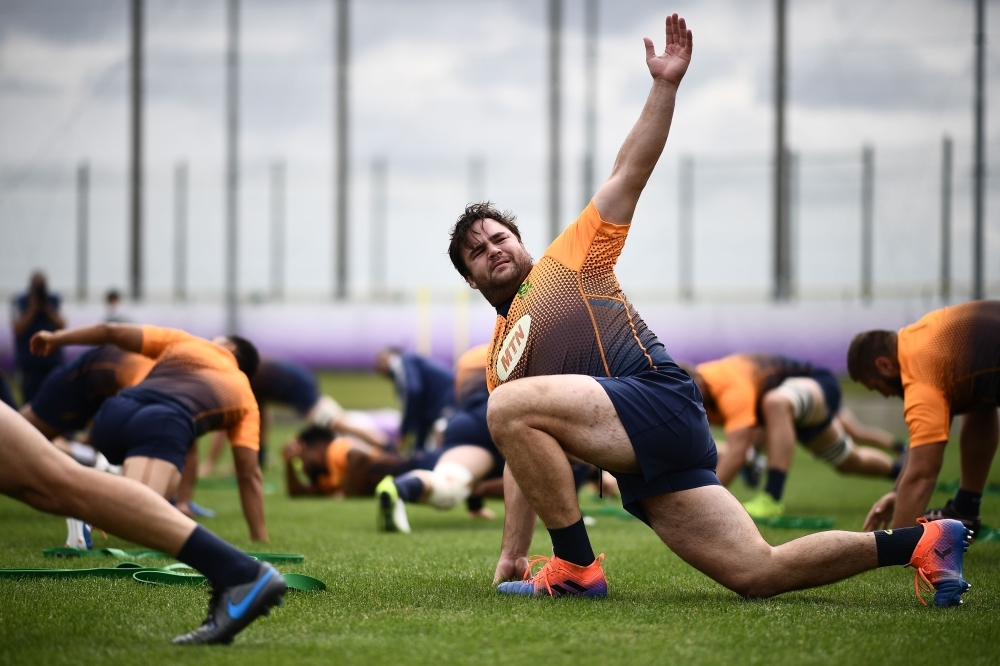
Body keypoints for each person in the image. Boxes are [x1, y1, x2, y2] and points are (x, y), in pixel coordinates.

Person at [448, 14, 972, 607]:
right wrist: (511, 555)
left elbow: (629, 171)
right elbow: (522, 456)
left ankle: (574, 565)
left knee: (507, 406)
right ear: (470, 276)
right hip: (649, 461)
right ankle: (925, 541)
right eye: (477, 252)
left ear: (520, 240)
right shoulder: (498, 361)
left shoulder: (568, 261)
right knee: (757, 572)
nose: (492, 249)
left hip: (657, 400)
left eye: (499, 237)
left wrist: (664, 86)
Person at [0, 401, 286, 645]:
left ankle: (239, 572)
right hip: (148, 420)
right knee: (55, 483)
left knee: (54, 483)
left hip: (146, 421)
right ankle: (239, 571)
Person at [29, 323, 270, 542]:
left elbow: (111, 331)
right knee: (139, 514)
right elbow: (248, 474)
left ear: (230, 346)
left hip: (112, 415)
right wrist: (260, 538)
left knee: (169, 476)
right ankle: (88, 512)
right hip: (161, 425)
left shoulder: (184, 341)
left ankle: (99, 474)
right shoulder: (245, 396)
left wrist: (57, 337)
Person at [683, 353, 903, 518]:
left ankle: (772, 498)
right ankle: (904, 474)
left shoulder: (728, 387)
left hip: (814, 386)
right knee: (849, 461)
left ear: (697, 381)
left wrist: (706, 503)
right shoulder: (694, 395)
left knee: (775, 403)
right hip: (789, 414)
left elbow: (737, 451)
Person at [849, 301, 1000, 539]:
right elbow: (922, 444)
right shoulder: (917, 337)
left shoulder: (921, 374)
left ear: (884, 365)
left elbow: (923, 472)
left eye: (877, 387)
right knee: (980, 400)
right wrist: (898, 491)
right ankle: (966, 508)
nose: (886, 395)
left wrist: (895, 545)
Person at [376, 345, 506, 532]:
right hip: (506, 414)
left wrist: (475, 507)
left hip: (466, 420)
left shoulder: (473, 358)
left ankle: (400, 488)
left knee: (449, 484)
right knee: (547, 470)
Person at [282, 425, 422, 498]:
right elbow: (299, 493)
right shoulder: (325, 475)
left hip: (413, 466)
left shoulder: (334, 449)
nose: (301, 460)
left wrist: (345, 493)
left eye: (303, 453)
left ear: (318, 447)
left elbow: (358, 455)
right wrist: (289, 465)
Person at [375, 348, 455, 450]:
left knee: (446, 438)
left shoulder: (401, 362)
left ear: (388, 355)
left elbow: (413, 391)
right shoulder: (408, 368)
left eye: (380, 361)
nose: (379, 367)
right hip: (441, 402)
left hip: (448, 399)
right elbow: (420, 411)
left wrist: (404, 429)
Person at [11, 271, 65, 403]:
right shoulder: (21, 301)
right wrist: (33, 309)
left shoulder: (53, 301)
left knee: (53, 400)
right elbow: (18, 329)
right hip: (30, 361)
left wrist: (47, 309)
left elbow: (62, 325)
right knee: (30, 400)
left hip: (51, 360)